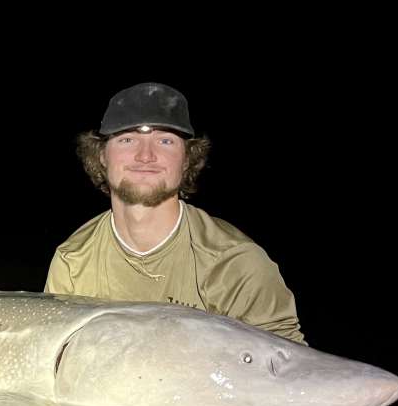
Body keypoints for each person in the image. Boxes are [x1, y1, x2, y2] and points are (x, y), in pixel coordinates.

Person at [44, 83, 304, 343]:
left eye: (165, 141)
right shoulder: (73, 261)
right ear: (101, 155)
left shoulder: (233, 263)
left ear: (187, 158)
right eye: (127, 139)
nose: (145, 156)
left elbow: (291, 370)